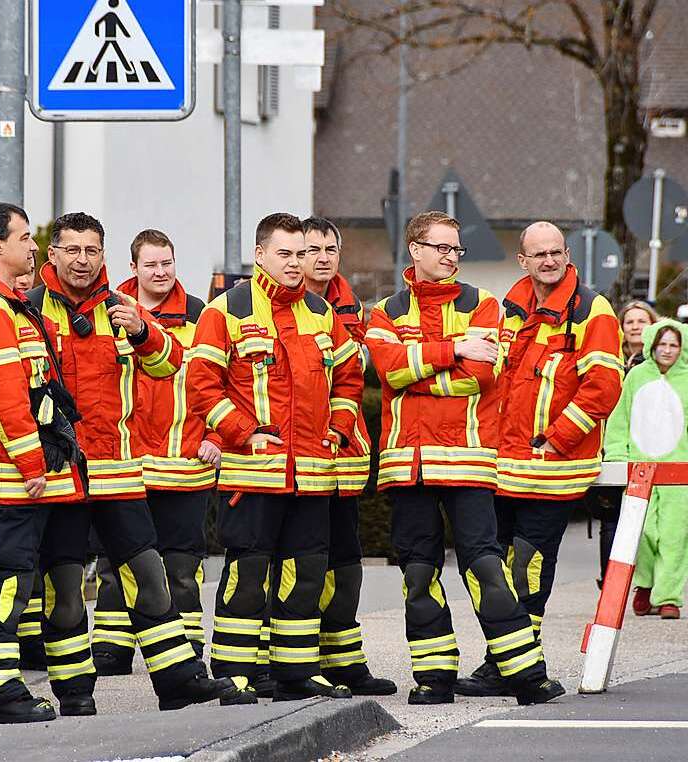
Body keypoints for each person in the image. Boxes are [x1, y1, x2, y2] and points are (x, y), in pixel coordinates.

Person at [26, 212, 241, 712]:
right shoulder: (31, 309)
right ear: (52, 254)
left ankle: (178, 681)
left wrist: (143, 332)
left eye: (92, 251)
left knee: (149, 575)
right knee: (64, 587)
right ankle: (76, 692)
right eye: (73, 251)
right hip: (62, 473)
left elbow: (171, 366)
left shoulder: (117, 307)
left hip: (118, 471)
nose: (83, 261)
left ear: (104, 255)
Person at [366, 211, 561, 706]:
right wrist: (452, 348)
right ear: (416, 249)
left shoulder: (484, 304)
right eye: (443, 247)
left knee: (485, 568)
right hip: (406, 465)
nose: (451, 257)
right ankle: (434, 678)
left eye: (457, 249)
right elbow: (388, 372)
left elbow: (481, 374)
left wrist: (421, 369)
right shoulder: (385, 311)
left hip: (467, 461)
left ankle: (525, 674)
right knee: (418, 573)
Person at [189, 212, 362, 702]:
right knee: (247, 574)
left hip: (312, 474)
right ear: (260, 254)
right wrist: (244, 433)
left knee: (304, 574)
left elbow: (349, 375)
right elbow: (202, 384)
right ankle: (234, 672)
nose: (295, 263)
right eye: (284, 254)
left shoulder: (320, 312)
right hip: (254, 472)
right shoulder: (227, 310)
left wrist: (339, 427)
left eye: (301, 254)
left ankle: (296, 673)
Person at [455, 220, 621, 698]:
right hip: (503, 466)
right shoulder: (507, 307)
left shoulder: (592, 309)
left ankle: (518, 665)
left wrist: (557, 439)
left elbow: (602, 388)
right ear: (522, 260)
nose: (549, 261)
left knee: (527, 564)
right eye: (539, 254)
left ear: (567, 255)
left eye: (556, 252)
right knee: (495, 567)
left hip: (553, 467)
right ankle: (503, 660)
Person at [0, 201, 78, 724]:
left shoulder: (5, 303)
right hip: (11, 475)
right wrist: (33, 467)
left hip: (18, 471)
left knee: (12, 581)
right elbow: (2, 397)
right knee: (3, 581)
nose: (33, 245)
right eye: (24, 237)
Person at [91, 229, 215, 674]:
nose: (161, 272)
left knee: (183, 566)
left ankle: (185, 652)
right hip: (125, 462)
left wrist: (216, 438)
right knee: (116, 563)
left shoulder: (203, 314)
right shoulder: (107, 311)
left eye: (167, 263)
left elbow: (224, 381)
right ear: (134, 269)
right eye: (151, 265)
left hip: (185, 462)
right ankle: (111, 648)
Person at [300, 216, 396, 696]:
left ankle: (346, 660)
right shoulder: (287, 305)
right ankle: (294, 662)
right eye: (311, 248)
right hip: (296, 460)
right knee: (302, 564)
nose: (321, 257)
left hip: (345, 457)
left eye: (329, 250)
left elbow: (363, 374)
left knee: (345, 564)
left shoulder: (353, 307)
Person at [604, 320, 688, 620]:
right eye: (662, 344)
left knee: (674, 535)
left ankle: (668, 597)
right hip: (640, 470)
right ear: (652, 345)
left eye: (673, 345)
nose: (667, 350)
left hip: (680, 474)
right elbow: (620, 419)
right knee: (643, 532)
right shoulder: (636, 376)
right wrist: (616, 456)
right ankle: (645, 585)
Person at [592, 300, 659, 585]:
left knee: (649, 519)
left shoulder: (660, 362)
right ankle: (610, 581)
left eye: (641, 321)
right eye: (629, 321)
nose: (634, 326)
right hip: (610, 443)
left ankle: (649, 580)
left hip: (647, 444)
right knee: (610, 517)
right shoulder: (612, 357)